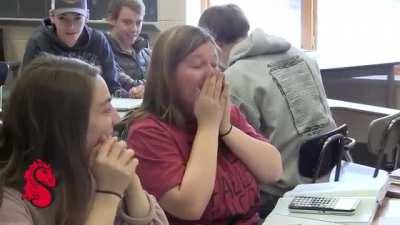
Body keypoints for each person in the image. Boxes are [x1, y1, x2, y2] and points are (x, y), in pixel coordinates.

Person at [126, 25, 283, 225]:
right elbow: (190, 207)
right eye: (197, 65)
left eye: (215, 64)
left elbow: (273, 171)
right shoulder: (147, 132)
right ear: (167, 74)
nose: (212, 75)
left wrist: (226, 129)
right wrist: (208, 127)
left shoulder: (223, 111)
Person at [198, 4, 337, 218]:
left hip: (279, 191)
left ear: (214, 44)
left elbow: (236, 148)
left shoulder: (235, 77)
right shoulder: (303, 57)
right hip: (328, 174)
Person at [0, 55, 168, 225]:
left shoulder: (93, 171)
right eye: (106, 109)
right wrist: (109, 194)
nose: (117, 119)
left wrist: (131, 182)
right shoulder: (10, 203)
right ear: (66, 125)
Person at [21, 0, 129, 97]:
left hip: (90, 110)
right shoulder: (38, 42)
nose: (71, 26)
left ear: (87, 16)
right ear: (52, 17)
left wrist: (130, 95)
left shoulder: (98, 41)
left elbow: (112, 86)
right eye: (62, 18)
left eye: (77, 18)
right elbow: (25, 89)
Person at [106, 0, 151, 99]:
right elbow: (128, 85)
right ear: (112, 20)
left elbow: (165, 79)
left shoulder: (145, 52)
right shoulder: (103, 51)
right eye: (127, 22)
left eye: (138, 22)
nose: (134, 29)